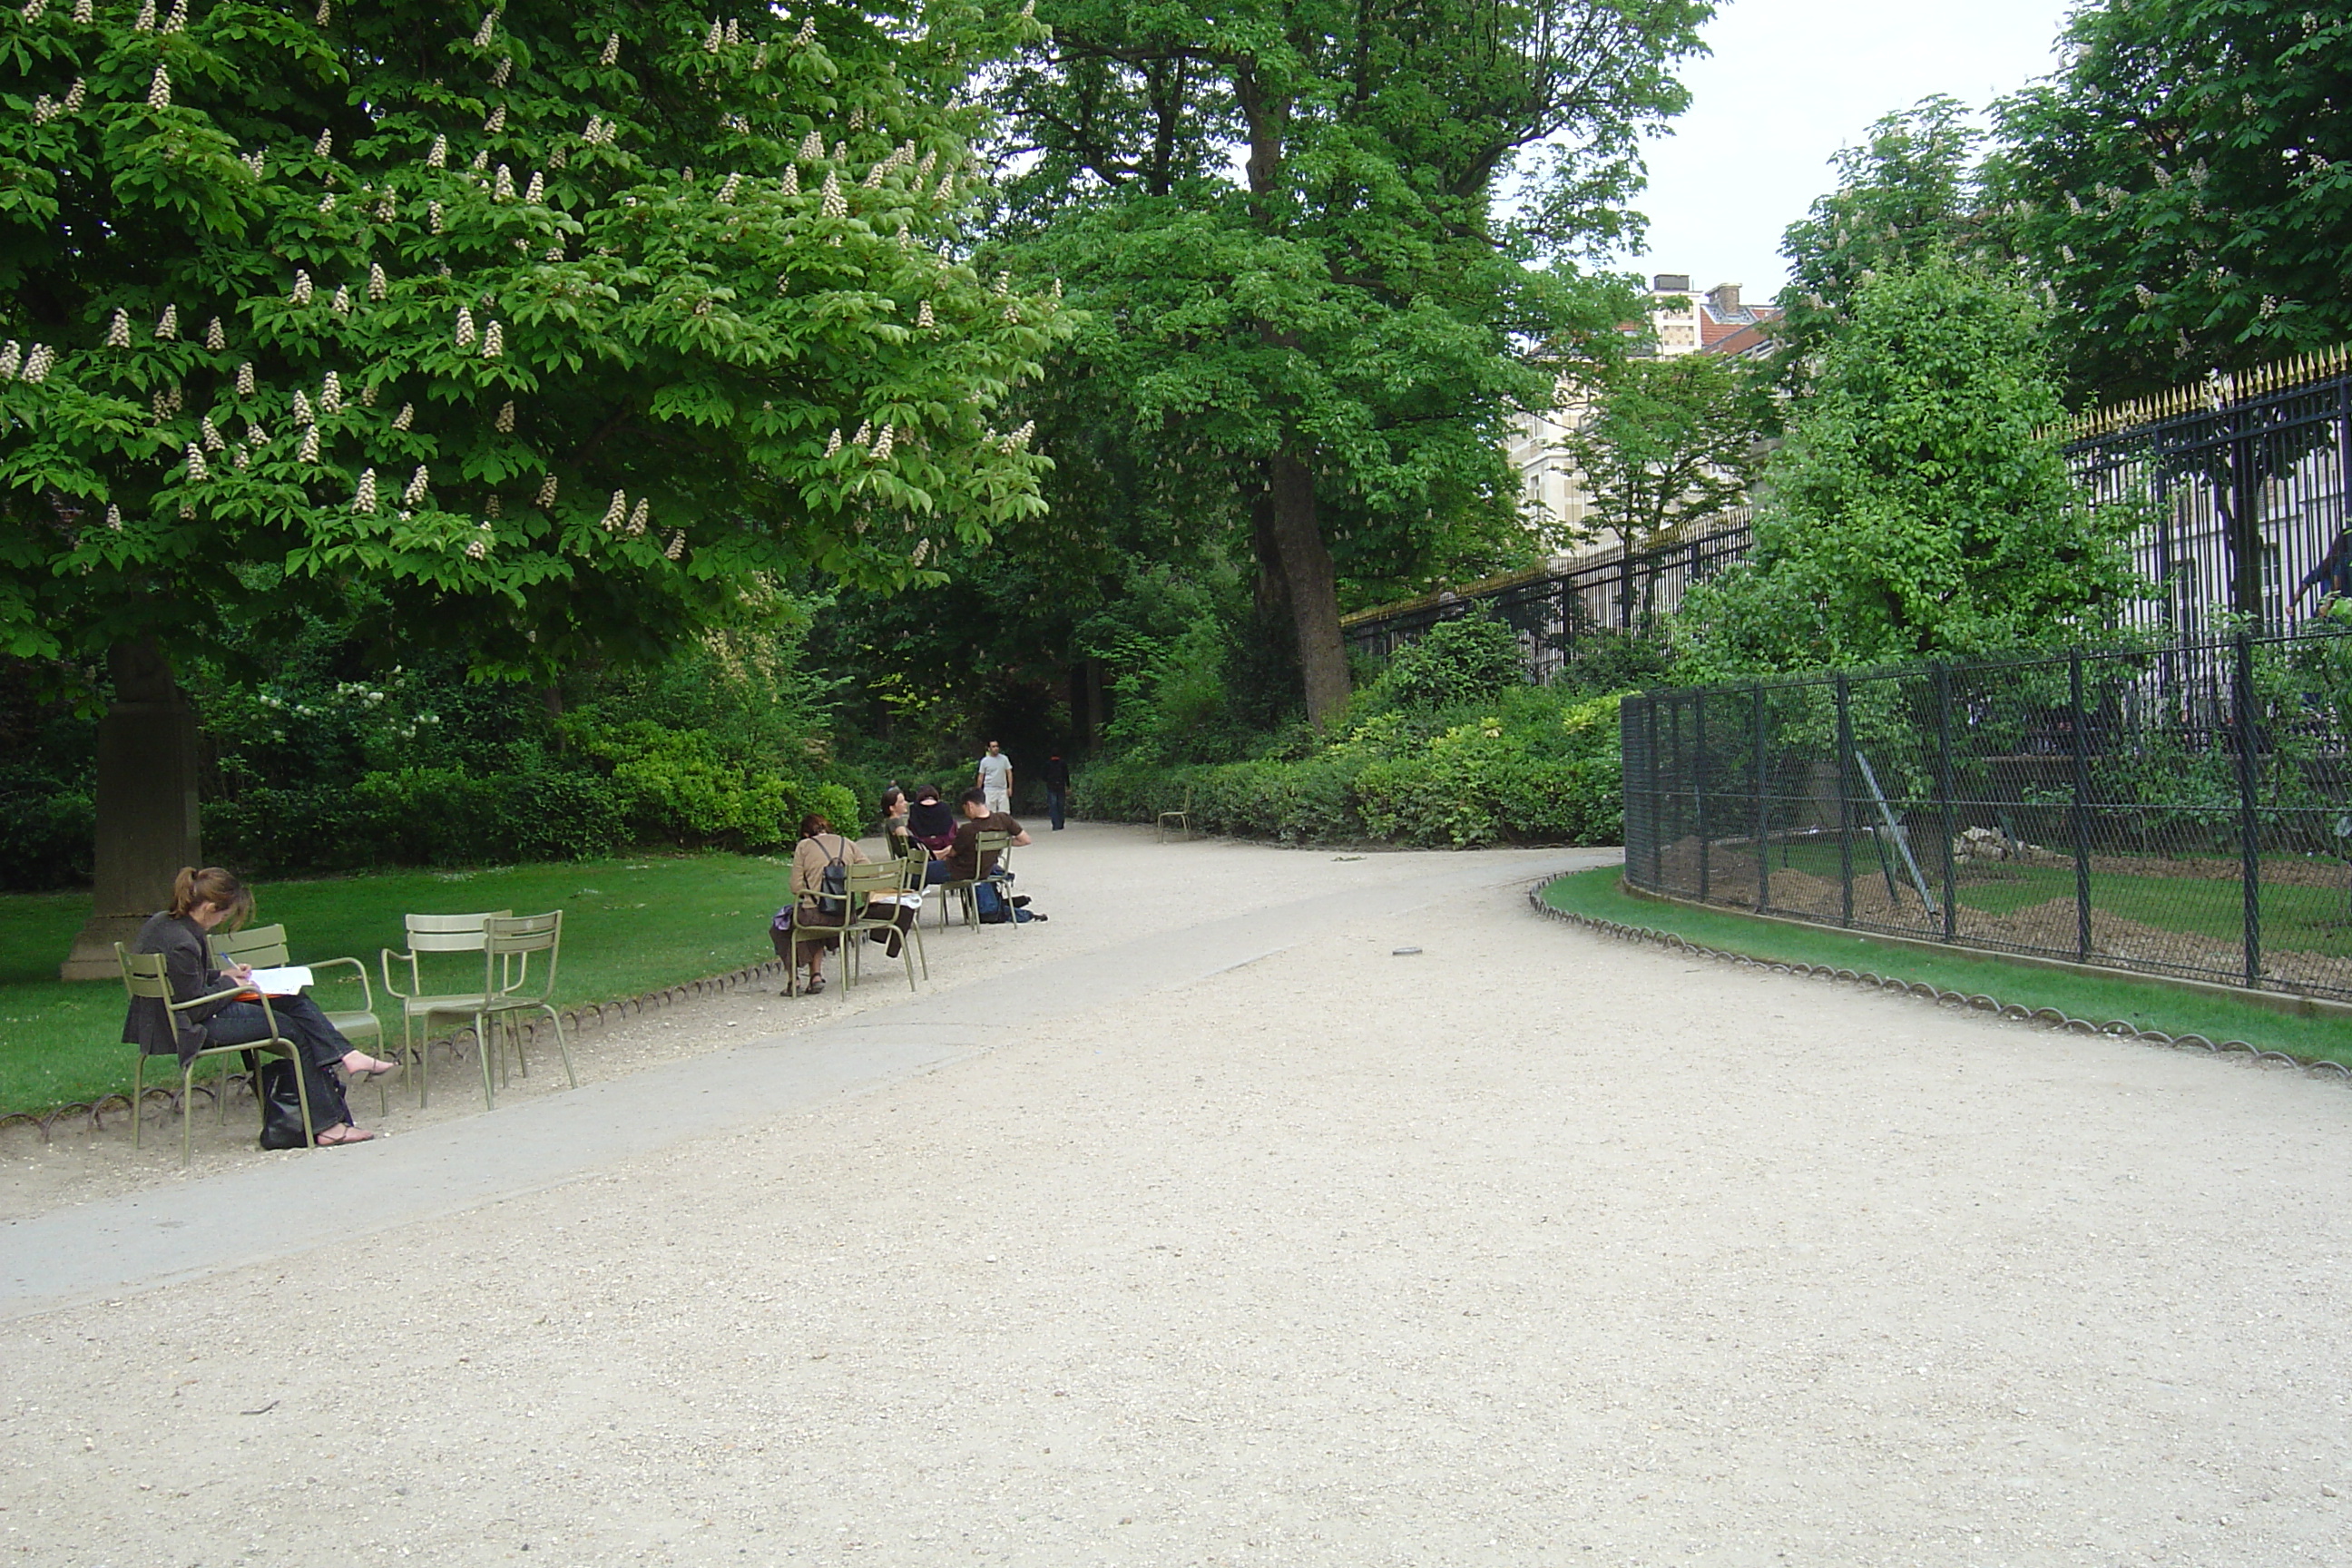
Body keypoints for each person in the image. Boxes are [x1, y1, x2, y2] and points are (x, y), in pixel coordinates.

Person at [121, 867, 393, 1147]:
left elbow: (184, 981)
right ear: (211, 907)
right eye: (224, 916)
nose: (221, 922)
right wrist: (235, 986)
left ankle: (347, 1057)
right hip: (188, 1026)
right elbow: (193, 1006)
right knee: (293, 1030)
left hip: (167, 1019)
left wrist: (224, 976)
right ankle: (330, 1123)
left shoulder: (162, 923)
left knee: (292, 1000)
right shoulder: (184, 942)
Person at [786, 812, 868, 995]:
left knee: (784, 924)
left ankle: (794, 981)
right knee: (818, 919)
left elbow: (795, 887)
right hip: (846, 916)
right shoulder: (847, 842)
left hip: (816, 916)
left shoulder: (804, 846)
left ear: (806, 834)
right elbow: (868, 872)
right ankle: (815, 975)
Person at [946, 787, 1045, 922]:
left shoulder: (968, 829)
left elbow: (952, 853)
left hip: (965, 870)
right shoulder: (1003, 819)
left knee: (924, 873)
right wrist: (1000, 843)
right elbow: (1025, 840)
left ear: (969, 805)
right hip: (989, 867)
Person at [906, 783, 957, 855]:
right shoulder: (945, 807)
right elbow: (953, 830)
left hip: (922, 847)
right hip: (944, 846)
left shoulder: (914, 809)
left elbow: (911, 829)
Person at [975, 740, 1014, 815]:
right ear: (989, 749)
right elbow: (981, 776)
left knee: (1004, 813)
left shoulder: (1004, 759)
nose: (996, 748)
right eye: (993, 746)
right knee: (990, 812)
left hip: (1002, 789)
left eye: (997, 746)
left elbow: (1009, 773)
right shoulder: (985, 761)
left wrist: (1010, 787)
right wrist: (979, 790)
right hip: (989, 789)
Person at [880, 786, 913, 858]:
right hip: (916, 860)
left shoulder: (889, 822)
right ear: (892, 808)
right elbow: (908, 842)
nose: (906, 803)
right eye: (901, 802)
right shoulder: (896, 822)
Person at [1041, 752, 1071, 831]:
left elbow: (1043, 777)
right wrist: (1068, 786)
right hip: (1061, 787)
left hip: (1051, 787)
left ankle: (1055, 824)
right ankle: (1061, 823)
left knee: (1053, 806)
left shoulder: (1047, 764)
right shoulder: (1063, 763)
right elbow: (1066, 775)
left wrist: (1048, 781)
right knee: (1061, 805)